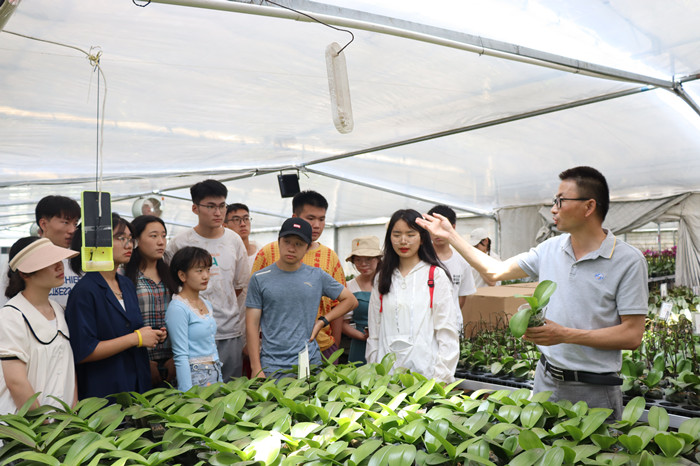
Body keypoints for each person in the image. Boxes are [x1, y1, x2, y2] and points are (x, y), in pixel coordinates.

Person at [417, 166, 648, 419]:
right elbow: (495, 270)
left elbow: (632, 335)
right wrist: (451, 236)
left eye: (560, 201)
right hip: (545, 381)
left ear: (589, 206)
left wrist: (565, 335)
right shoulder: (549, 249)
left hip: (594, 388)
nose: (553, 209)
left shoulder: (628, 260)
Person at [66, 213, 165, 400]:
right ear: (97, 242)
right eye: (120, 238)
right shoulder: (85, 291)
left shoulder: (126, 284)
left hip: (137, 385)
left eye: (130, 239)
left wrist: (151, 335)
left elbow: (128, 329)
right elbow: (84, 350)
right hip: (106, 391)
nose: (129, 245)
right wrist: (136, 338)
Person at [246, 218, 357, 378]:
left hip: (309, 363)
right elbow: (252, 324)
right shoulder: (260, 278)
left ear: (307, 248)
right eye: (287, 242)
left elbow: (350, 301)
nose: (291, 248)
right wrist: (256, 368)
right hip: (272, 365)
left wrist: (322, 321)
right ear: (279, 242)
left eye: (299, 244)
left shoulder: (317, 276)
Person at [164, 180, 249, 382]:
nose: (218, 212)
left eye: (222, 206)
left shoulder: (234, 240)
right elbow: (173, 287)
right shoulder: (180, 243)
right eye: (210, 206)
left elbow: (239, 287)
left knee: (231, 391)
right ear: (195, 208)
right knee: (196, 389)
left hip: (229, 331)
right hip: (193, 335)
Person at [251, 191, 346, 361]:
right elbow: (254, 304)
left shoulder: (330, 256)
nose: (316, 225)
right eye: (311, 218)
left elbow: (337, 305)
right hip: (278, 350)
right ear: (295, 217)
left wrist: (335, 346)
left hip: (322, 346)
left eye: (322, 219)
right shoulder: (268, 253)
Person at [366, 209, 459, 383]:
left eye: (410, 234)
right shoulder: (382, 277)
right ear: (389, 238)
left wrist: (440, 379)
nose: (403, 241)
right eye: (397, 235)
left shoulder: (435, 276)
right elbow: (374, 332)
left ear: (422, 238)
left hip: (426, 375)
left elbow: (447, 331)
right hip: (386, 377)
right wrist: (374, 372)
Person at [0, 237, 78, 414]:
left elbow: (68, 369)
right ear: (25, 273)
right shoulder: (11, 316)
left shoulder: (59, 310)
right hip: (26, 425)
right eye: (49, 262)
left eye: (59, 260)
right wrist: (41, 422)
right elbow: (16, 382)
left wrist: (72, 415)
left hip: (62, 424)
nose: (59, 266)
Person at [125, 215, 178, 388]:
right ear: (136, 240)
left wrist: (176, 358)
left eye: (163, 236)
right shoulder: (124, 277)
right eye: (153, 236)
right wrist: (143, 361)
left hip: (173, 359)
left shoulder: (172, 275)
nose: (161, 242)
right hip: (138, 358)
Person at [0, 195, 81, 308]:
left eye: (75, 224)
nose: (72, 230)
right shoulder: (22, 257)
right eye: (65, 222)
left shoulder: (78, 257)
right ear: (43, 224)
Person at [166, 247, 222, 391]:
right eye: (199, 271)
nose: (206, 276)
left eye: (208, 270)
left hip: (214, 374)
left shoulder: (206, 303)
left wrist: (221, 383)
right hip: (195, 377)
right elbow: (180, 355)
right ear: (182, 275)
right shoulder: (178, 308)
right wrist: (187, 394)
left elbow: (212, 348)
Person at [427, 205, 477, 335]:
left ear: (452, 227)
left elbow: (462, 297)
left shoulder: (462, 261)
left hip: (453, 325)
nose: (437, 233)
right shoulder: (421, 259)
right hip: (425, 326)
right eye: (434, 227)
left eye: (442, 227)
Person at [343, 236, 382, 364]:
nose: (363, 264)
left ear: (378, 259)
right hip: (360, 344)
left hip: (386, 341)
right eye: (358, 260)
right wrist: (363, 336)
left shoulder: (389, 282)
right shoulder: (349, 287)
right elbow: (343, 323)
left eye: (368, 259)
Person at [225, 203, 259, 268]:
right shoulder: (223, 254)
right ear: (224, 226)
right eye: (236, 220)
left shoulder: (260, 250)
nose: (243, 224)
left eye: (246, 218)